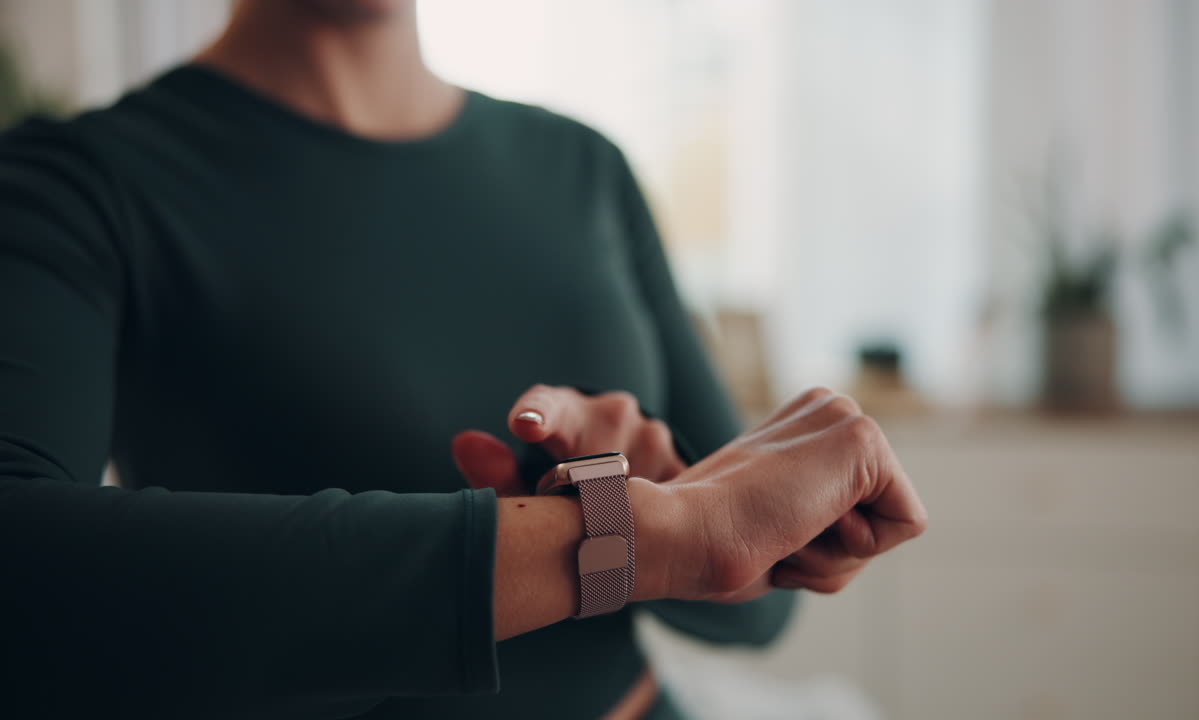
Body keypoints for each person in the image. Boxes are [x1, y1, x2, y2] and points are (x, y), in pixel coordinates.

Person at [0, 0, 927, 718]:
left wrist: (657, 499)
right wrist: (636, 539)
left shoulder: (583, 168)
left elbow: (761, 604)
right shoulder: (75, 187)